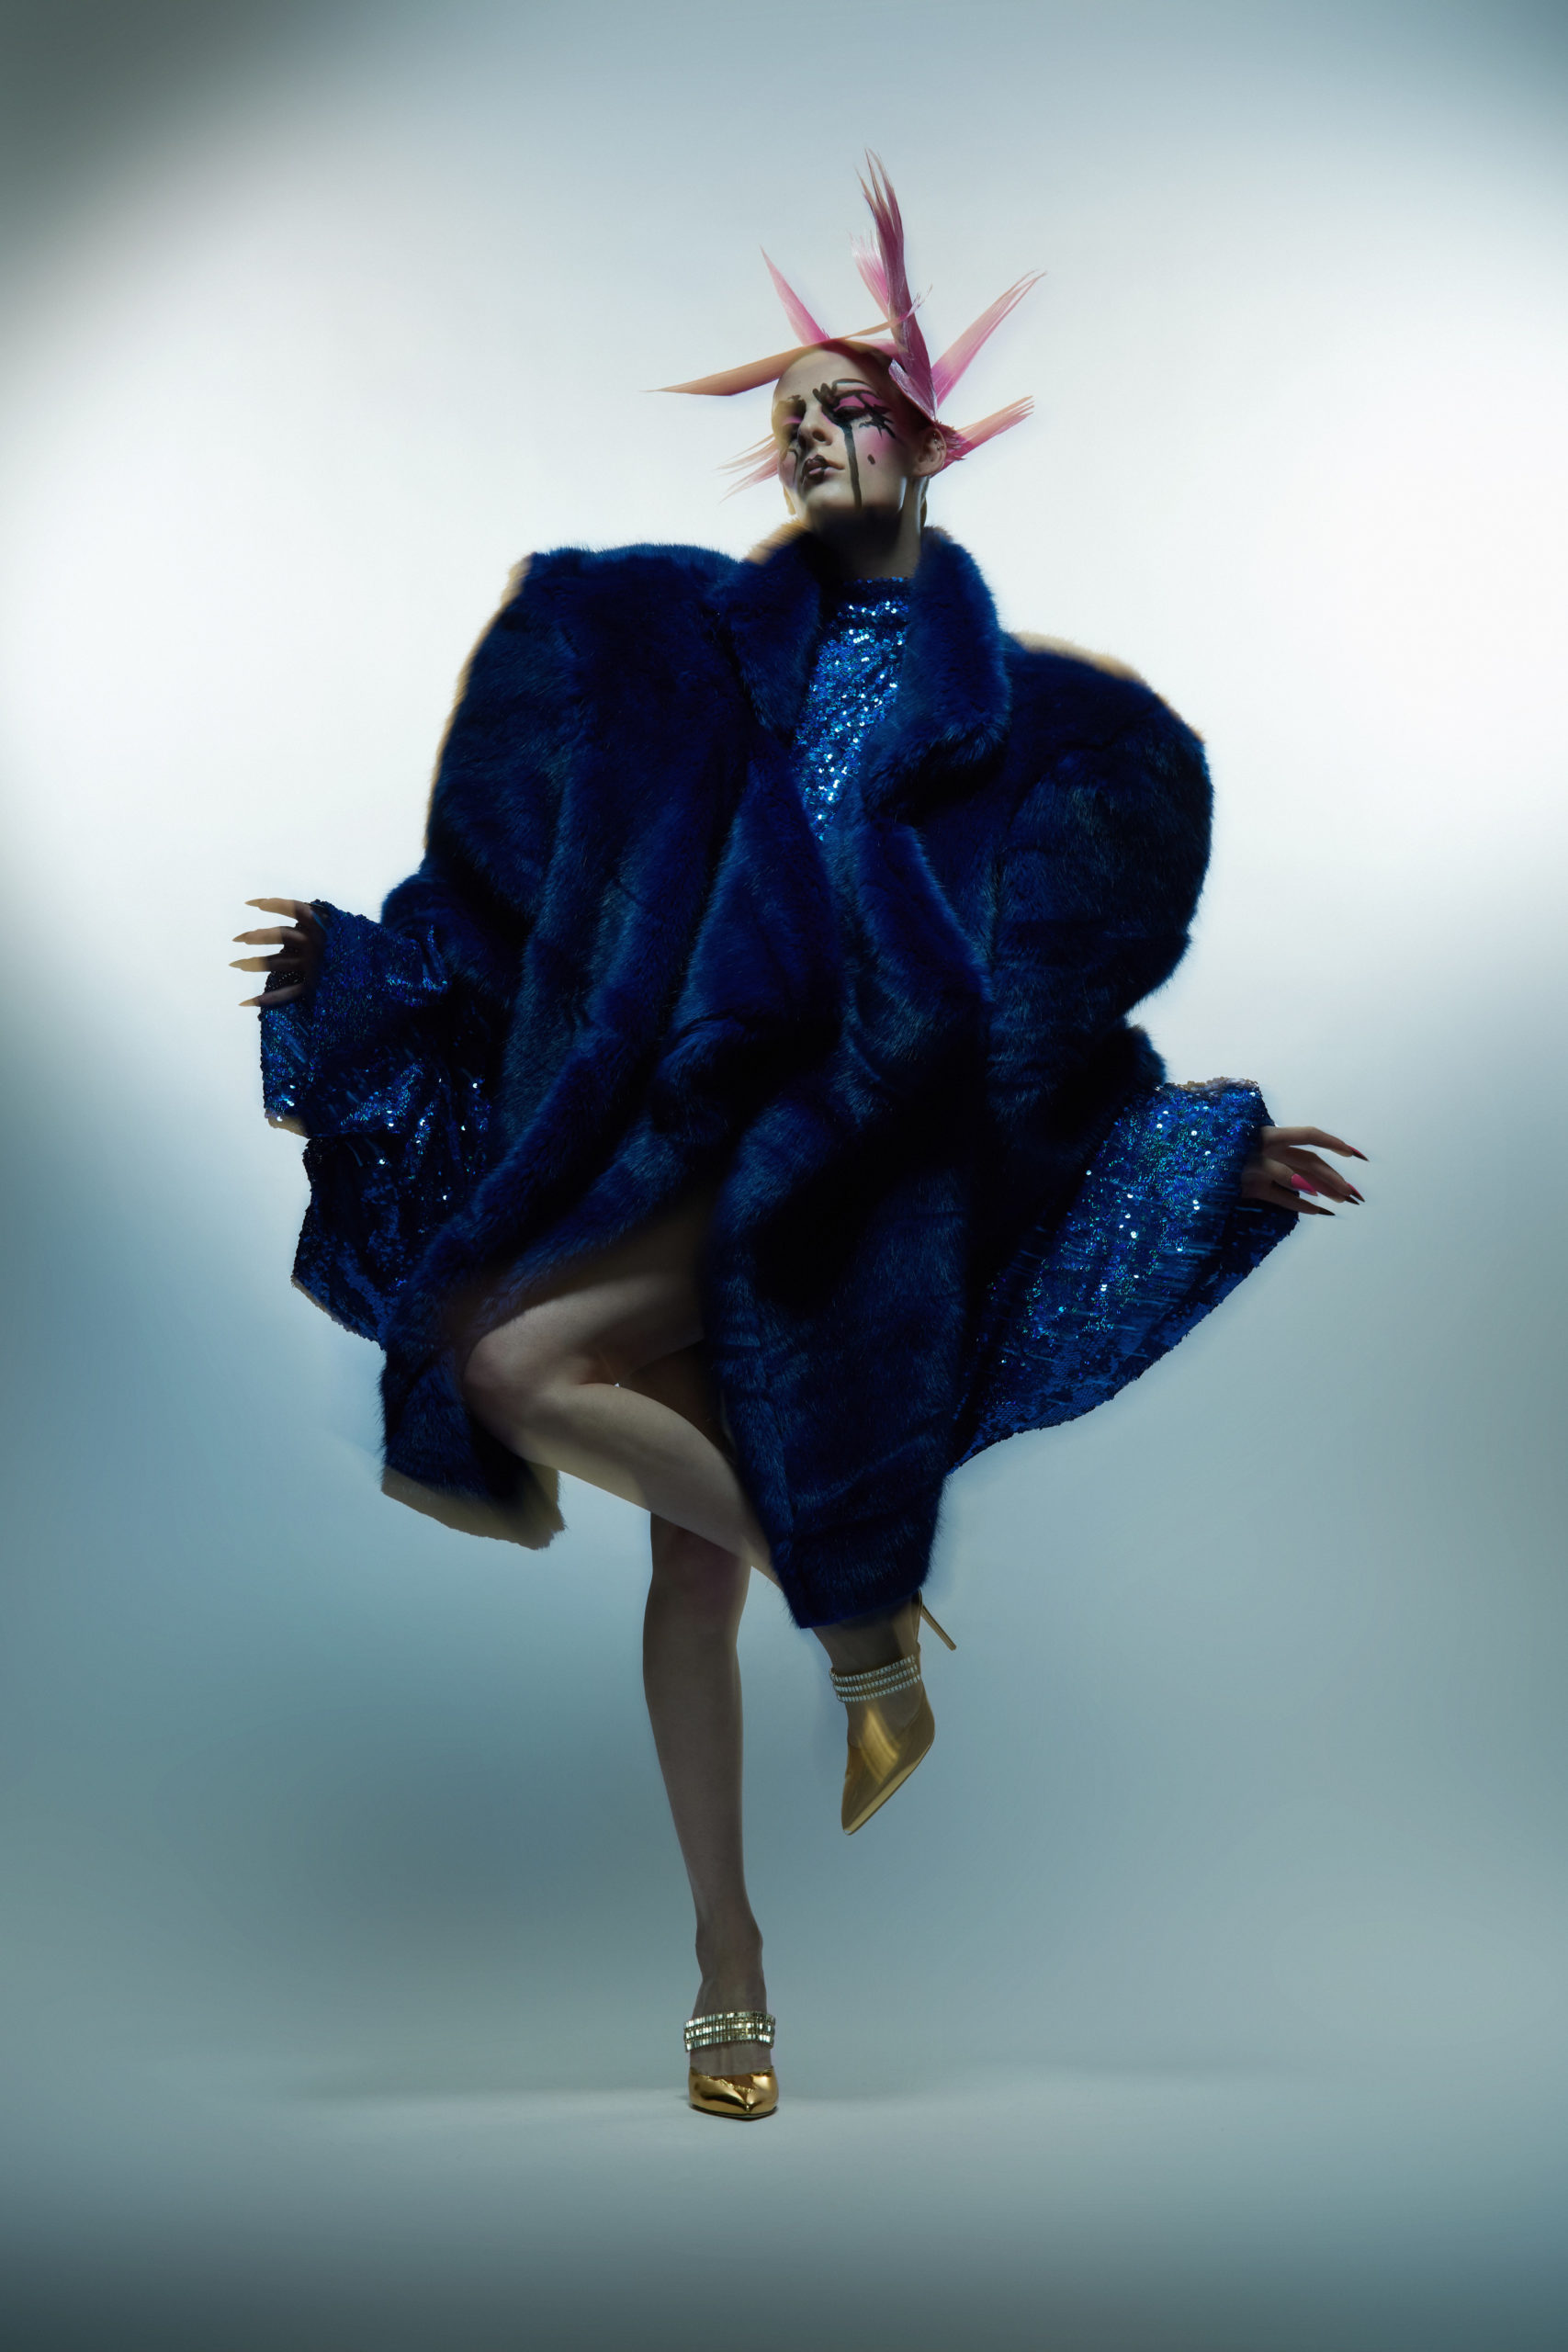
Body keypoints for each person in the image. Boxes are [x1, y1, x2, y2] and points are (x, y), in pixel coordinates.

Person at [234, 160, 1363, 2121]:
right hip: (675, 1130)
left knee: (525, 1379)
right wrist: (362, 966)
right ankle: (748, 1913)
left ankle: (839, 1662)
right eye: (788, 419)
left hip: (857, 1170)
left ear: (925, 436)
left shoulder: (1039, 725)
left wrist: (1200, 1156)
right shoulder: (679, 658)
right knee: (619, 1500)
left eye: (844, 406)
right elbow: (527, 895)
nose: (811, 435)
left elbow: (1050, 1003)